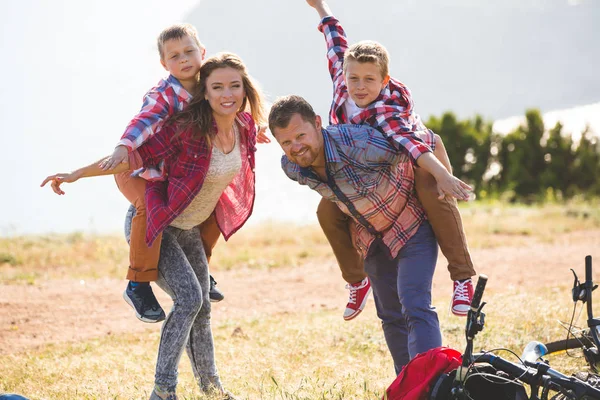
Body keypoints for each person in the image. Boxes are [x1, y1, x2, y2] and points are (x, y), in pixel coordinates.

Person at [41, 52, 264, 400]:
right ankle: (163, 391)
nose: (227, 94)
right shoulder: (187, 129)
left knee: (202, 304)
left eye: (234, 86)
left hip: (187, 228)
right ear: (204, 93)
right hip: (156, 228)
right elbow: (133, 157)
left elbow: (266, 139)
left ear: (245, 89)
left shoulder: (245, 127)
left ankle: (211, 389)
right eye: (217, 86)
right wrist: (78, 173)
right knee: (189, 299)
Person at [305, 0, 477, 319]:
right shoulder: (344, 84)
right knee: (326, 211)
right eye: (353, 78)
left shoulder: (386, 110)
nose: (359, 87)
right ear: (344, 75)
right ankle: (357, 282)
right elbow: (335, 41)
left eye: (369, 80)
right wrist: (320, 7)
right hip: (366, 176)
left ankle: (462, 278)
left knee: (433, 191)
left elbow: (411, 145)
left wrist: (444, 175)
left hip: (411, 163)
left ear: (384, 81)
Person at [269, 95, 466, 372]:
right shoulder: (292, 167)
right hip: (371, 238)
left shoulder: (359, 143)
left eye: (300, 135)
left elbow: (420, 144)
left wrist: (443, 178)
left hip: (410, 223)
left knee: (414, 304)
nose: (296, 147)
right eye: (286, 142)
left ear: (317, 124)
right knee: (390, 315)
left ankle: (432, 383)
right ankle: (407, 385)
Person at [97, 23, 269, 323]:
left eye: (189, 51)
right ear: (164, 64)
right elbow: (143, 121)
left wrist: (253, 127)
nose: (184, 59)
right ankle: (138, 283)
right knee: (147, 208)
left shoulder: (208, 84)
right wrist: (124, 145)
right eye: (175, 56)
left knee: (215, 202)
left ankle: (202, 268)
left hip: (170, 172)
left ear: (202, 52)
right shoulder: (163, 94)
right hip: (139, 168)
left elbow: (228, 105)